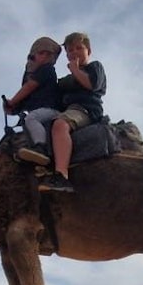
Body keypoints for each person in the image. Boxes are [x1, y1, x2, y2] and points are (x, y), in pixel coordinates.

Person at [38, 31, 106, 194]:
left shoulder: (94, 67)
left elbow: (91, 85)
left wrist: (75, 69)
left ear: (88, 51)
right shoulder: (65, 81)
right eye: (70, 50)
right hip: (67, 111)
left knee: (60, 125)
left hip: (85, 110)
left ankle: (62, 176)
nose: (74, 52)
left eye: (78, 48)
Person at [3, 36, 63, 152]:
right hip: (40, 113)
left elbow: (29, 87)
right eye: (40, 53)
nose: (44, 56)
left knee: (31, 119)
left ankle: (40, 147)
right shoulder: (31, 79)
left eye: (48, 54)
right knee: (30, 119)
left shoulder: (47, 70)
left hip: (50, 110)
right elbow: (22, 103)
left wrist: (12, 101)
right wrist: (10, 108)